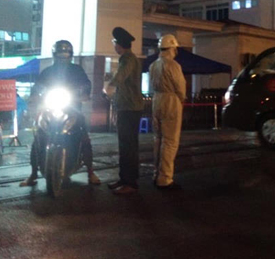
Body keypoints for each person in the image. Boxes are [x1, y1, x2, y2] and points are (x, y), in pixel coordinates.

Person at [20, 40, 100, 186]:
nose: (63, 59)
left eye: (66, 56)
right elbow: (38, 86)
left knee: (83, 136)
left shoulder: (77, 70)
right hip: (50, 110)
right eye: (60, 56)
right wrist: (34, 96)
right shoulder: (47, 72)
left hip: (72, 110)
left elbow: (86, 84)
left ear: (70, 56)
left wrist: (84, 93)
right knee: (38, 137)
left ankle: (90, 172)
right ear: (54, 56)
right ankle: (33, 174)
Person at [104, 27, 144, 195]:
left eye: (114, 43)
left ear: (119, 44)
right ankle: (124, 179)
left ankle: (130, 182)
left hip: (129, 108)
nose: (114, 46)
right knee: (125, 145)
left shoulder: (128, 59)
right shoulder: (128, 59)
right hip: (127, 107)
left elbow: (121, 76)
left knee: (128, 146)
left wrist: (109, 86)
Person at [148, 34, 186, 190]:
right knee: (170, 141)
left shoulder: (153, 65)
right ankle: (165, 178)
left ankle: (156, 173)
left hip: (157, 100)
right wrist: (181, 99)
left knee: (158, 139)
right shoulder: (173, 65)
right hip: (171, 100)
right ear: (172, 48)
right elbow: (180, 87)